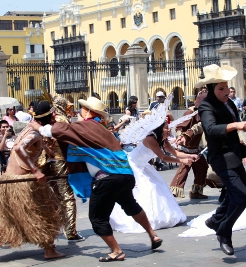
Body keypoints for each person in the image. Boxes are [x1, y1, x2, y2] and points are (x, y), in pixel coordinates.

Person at [29, 96, 164, 262]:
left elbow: (56, 131)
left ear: (88, 113)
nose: (78, 113)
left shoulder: (85, 126)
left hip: (107, 179)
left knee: (97, 218)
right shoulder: (102, 129)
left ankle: (116, 251)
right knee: (131, 206)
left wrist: (37, 126)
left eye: (81, 110)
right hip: (125, 175)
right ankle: (153, 235)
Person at [0, 100, 65, 259]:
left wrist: (48, 150)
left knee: (2, 216)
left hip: (8, 180)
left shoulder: (31, 128)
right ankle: (49, 249)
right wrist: (36, 171)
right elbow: (18, 148)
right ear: (47, 116)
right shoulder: (34, 133)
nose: (55, 115)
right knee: (47, 210)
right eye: (53, 113)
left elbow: (35, 144)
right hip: (22, 183)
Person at [110, 97, 196, 233]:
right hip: (133, 166)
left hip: (144, 166)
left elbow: (176, 153)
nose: (169, 129)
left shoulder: (163, 140)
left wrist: (189, 156)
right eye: (167, 127)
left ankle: (160, 217)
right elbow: (163, 157)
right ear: (159, 129)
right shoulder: (150, 139)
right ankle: (145, 219)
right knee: (149, 189)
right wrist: (183, 161)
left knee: (159, 188)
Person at [197, 64, 246, 256]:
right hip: (221, 158)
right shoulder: (206, 106)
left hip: (235, 155)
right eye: (220, 88)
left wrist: (244, 128)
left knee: (237, 194)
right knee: (241, 196)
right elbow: (211, 129)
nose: (226, 91)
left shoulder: (229, 103)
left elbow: (235, 126)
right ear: (211, 89)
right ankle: (223, 231)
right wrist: (235, 125)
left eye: (226, 87)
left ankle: (215, 220)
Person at [36, 96, 85, 243]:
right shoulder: (61, 119)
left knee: (55, 196)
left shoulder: (49, 118)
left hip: (45, 161)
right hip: (60, 161)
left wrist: (46, 147)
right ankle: (70, 231)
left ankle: (59, 226)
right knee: (67, 196)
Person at [170, 90, 209, 199]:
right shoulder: (190, 112)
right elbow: (179, 127)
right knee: (184, 169)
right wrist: (180, 136)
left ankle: (196, 192)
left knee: (202, 167)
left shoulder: (205, 113)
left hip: (196, 148)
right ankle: (172, 193)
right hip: (185, 147)